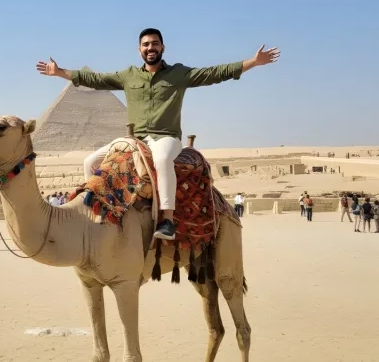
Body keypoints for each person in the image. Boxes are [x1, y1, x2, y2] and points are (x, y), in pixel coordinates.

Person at [36, 28, 279, 240]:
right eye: (146, 45)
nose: (150, 48)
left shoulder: (178, 74)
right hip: (135, 140)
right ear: (139, 49)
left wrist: (253, 62)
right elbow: (94, 79)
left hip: (166, 138)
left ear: (162, 47)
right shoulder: (128, 75)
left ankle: (167, 219)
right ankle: (102, 213)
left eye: (154, 44)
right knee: (90, 162)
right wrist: (60, 72)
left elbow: (215, 73)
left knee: (163, 160)